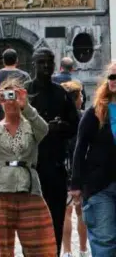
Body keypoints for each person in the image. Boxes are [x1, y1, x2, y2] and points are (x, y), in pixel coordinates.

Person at [0, 77, 55, 257]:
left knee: (39, 246)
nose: (10, 101)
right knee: (5, 248)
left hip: (29, 190)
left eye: (14, 96)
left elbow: (45, 129)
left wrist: (26, 106)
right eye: (6, 97)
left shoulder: (31, 127)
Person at [26, 43, 79, 256]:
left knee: (55, 217)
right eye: (41, 63)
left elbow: (74, 125)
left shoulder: (61, 94)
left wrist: (60, 127)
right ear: (34, 65)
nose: (46, 67)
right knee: (30, 218)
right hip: (30, 167)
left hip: (55, 166)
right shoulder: (25, 92)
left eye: (49, 63)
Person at [70, 61, 116, 257]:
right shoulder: (95, 112)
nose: (114, 81)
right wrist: (76, 185)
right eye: (112, 77)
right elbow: (80, 148)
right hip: (100, 186)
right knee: (105, 242)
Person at [60, 80, 89, 257]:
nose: (82, 98)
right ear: (76, 98)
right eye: (80, 95)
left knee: (66, 212)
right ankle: (84, 250)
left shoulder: (60, 119)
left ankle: (67, 251)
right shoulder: (83, 118)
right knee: (81, 212)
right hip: (81, 170)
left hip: (64, 168)